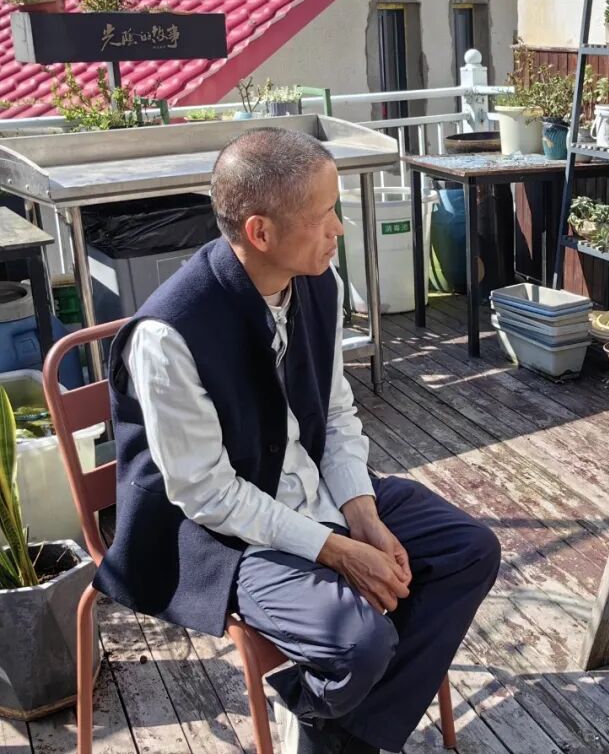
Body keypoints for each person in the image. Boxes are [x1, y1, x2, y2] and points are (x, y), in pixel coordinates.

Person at [95, 127, 501, 754]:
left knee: (467, 550)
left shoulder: (317, 282)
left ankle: (329, 726)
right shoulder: (169, 334)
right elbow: (206, 495)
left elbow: (335, 413)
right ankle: (341, 724)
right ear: (260, 232)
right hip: (221, 537)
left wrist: (362, 518)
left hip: (309, 488)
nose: (339, 228)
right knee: (357, 643)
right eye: (323, 215)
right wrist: (335, 551)